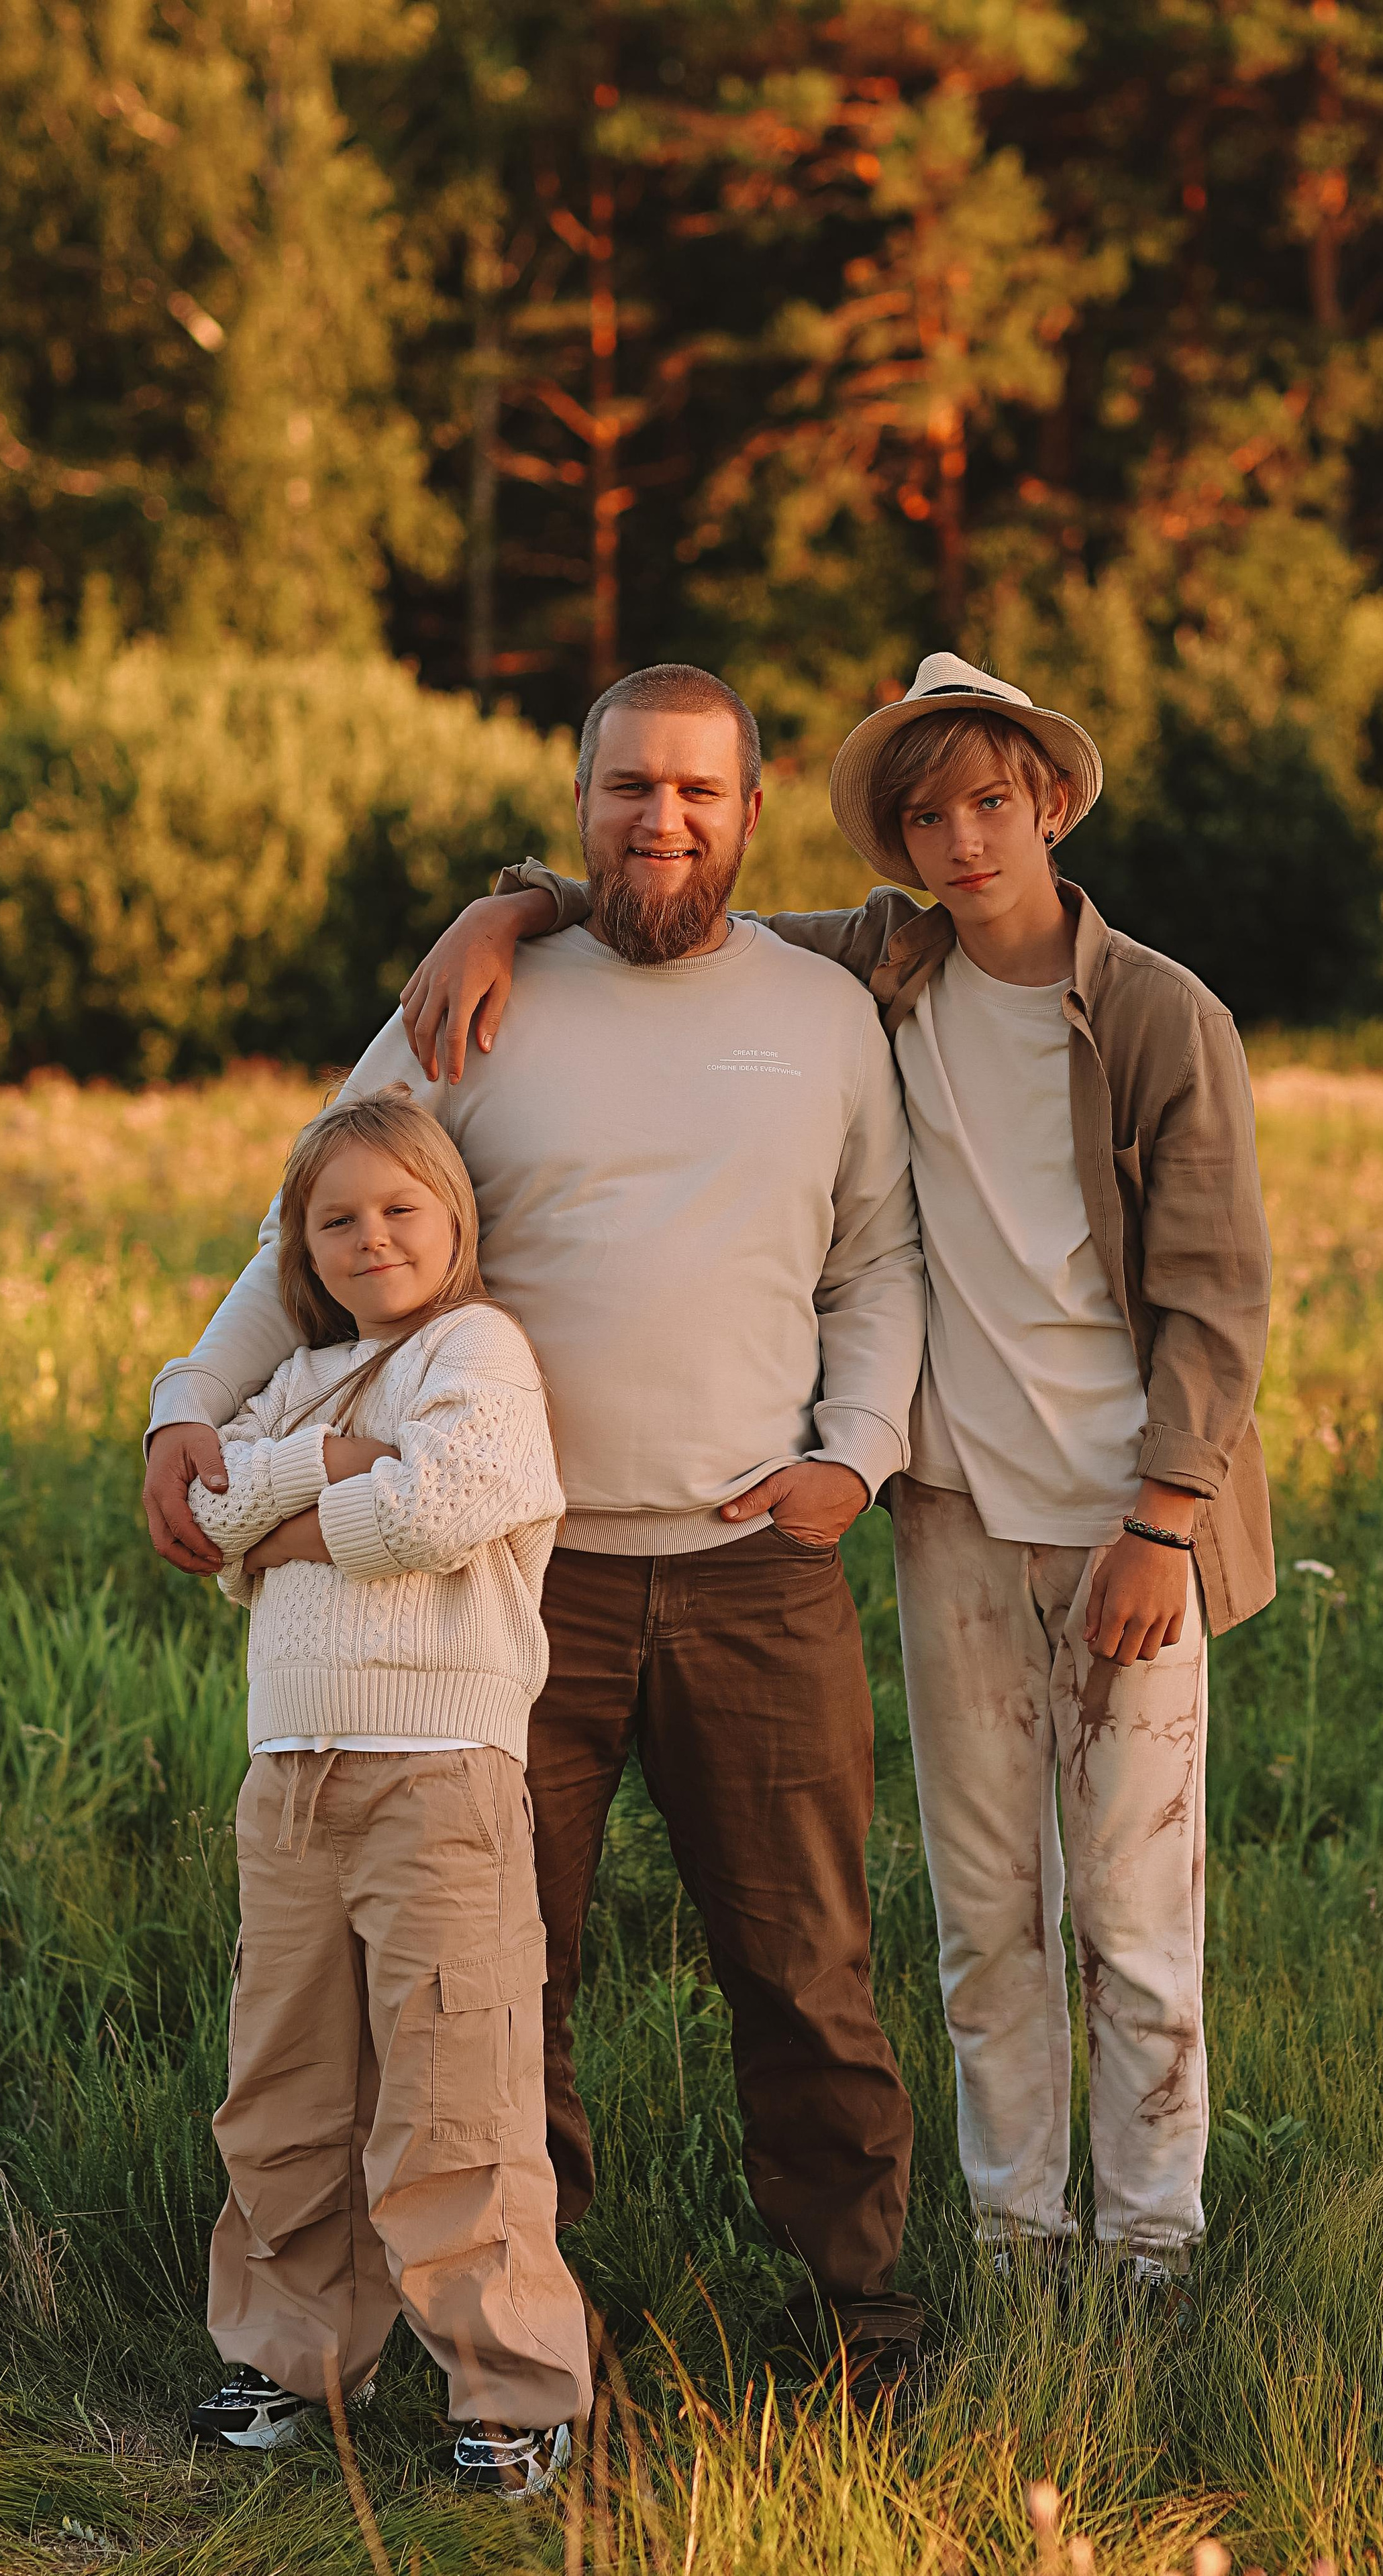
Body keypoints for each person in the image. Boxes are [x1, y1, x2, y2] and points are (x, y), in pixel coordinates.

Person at [403, 651, 1274, 2302]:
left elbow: (1220, 1298)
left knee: (1133, 1916)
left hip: (1125, 1525)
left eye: (992, 805)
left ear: (1050, 805)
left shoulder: (1156, 1011)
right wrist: (498, 912)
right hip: (947, 1515)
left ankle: (1149, 2255)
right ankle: (1019, 2248)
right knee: (982, 1915)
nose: (961, 840)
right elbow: (665, 908)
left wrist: (1164, 1514)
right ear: (892, 841)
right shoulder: (875, 969)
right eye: (926, 815)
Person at [144, 665, 927, 2394]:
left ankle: (856, 2299)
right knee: (508, 1974)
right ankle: (518, 2309)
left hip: (753, 1572)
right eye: (627, 788)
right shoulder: (475, 1001)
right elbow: (315, 1211)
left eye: (697, 793)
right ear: (576, 805)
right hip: (511, 1581)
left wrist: (856, 1455)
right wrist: (186, 1403)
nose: (661, 820)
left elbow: (876, 1263)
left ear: (747, 804)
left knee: (801, 1961)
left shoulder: (818, 1015)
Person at [182, 1083, 591, 2496]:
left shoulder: (477, 1349)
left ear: (455, 1219)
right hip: (289, 1772)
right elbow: (216, 1510)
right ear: (299, 1245)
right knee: (283, 2084)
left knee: (452, 2090)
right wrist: (328, 1471)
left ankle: (506, 2387)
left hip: (438, 1776)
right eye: (335, 1220)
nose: (370, 1239)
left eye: (399, 1210)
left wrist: (300, 1514)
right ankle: (287, 2354)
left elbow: (447, 1502)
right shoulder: (300, 1374)